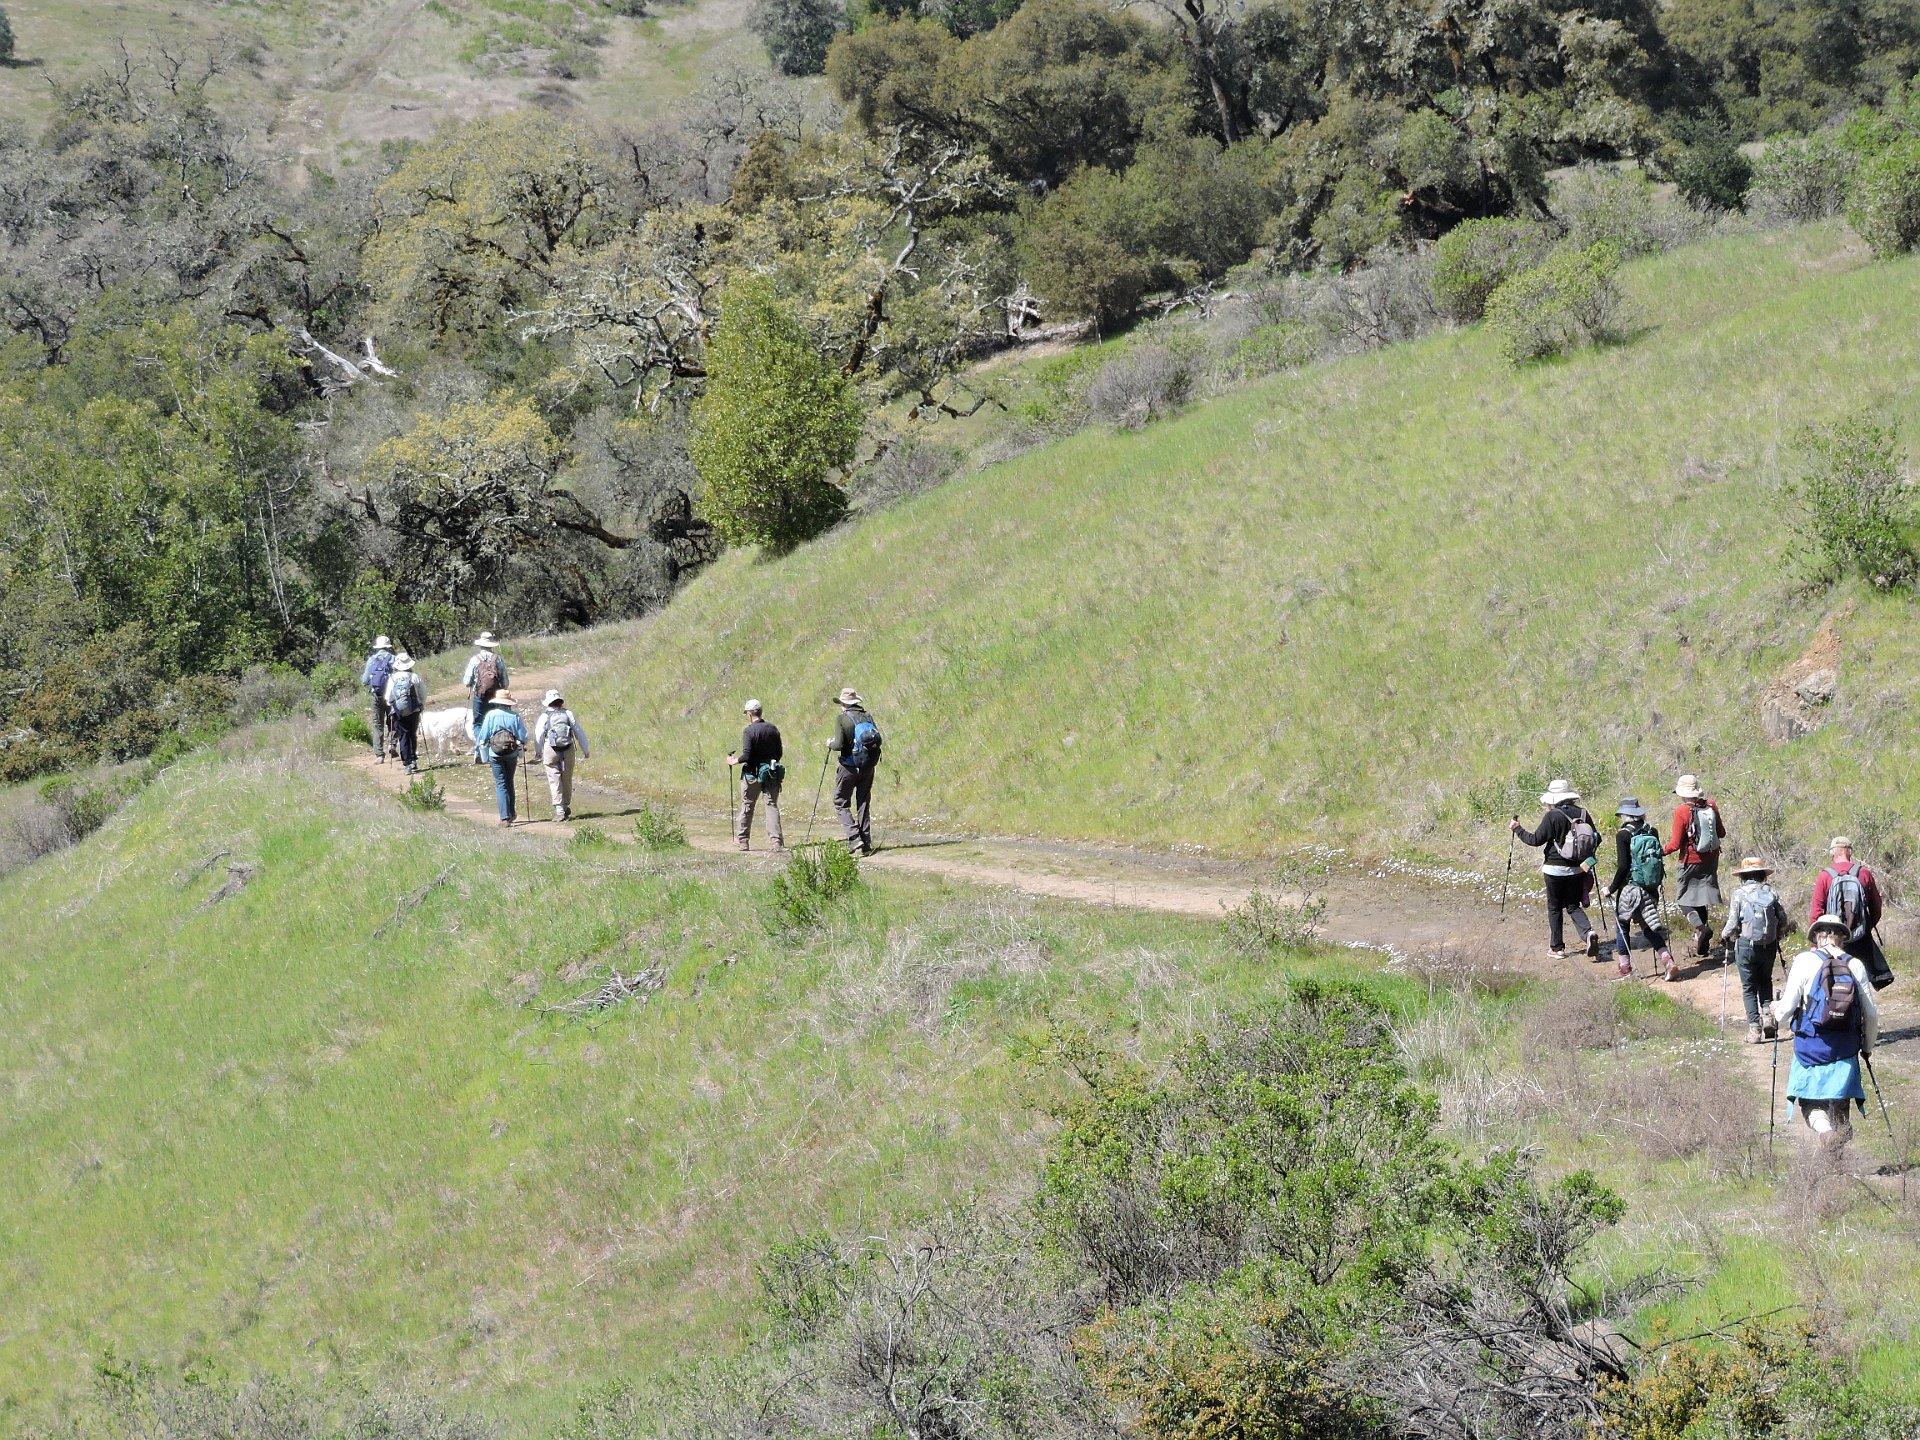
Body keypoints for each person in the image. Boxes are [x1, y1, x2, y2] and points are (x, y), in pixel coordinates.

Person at [1773, 913, 1880, 1147]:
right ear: (1843, 938)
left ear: (1816, 937)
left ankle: (1825, 1133)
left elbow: (1786, 1011)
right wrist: (1866, 1047)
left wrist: (1775, 1011)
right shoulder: (1855, 965)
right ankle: (1837, 1154)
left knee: (1811, 1104)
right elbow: (1871, 1015)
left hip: (1810, 1050)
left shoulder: (1804, 961)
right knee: (1840, 1105)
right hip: (1845, 1050)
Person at [1510, 779, 1601, 959]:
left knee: (1554, 907)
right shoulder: (1583, 813)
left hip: (1554, 869)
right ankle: (1588, 933)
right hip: (1577, 869)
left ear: (1553, 798)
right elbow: (1596, 839)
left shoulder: (1552, 816)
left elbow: (1535, 840)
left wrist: (1517, 829)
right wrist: (1587, 861)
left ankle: (1557, 948)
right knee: (1573, 905)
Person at [1807, 836, 1895, 991]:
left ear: (1833, 853)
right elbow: (1876, 908)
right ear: (1849, 852)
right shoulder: (1864, 873)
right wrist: (1864, 928)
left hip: (1833, 939)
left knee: (1835, 983)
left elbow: (1816, 912)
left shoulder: (1825, 876)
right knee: (1861, 982)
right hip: (1861, 938)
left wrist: (1815, 944)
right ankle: (1863, 1005)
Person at [1605, 797, 1677, 982]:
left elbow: (1623, 867)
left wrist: (1611, 889)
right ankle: (1667, 960)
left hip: (1630, 889)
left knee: (1622, 925)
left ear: (1625, 815)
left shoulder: (1623, 835)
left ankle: (1625, 968)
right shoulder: (1652, 831)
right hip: (1650, 887)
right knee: (1648, 926)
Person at [1720, 856, 1789, 1043]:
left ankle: (1754, 1029)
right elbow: (1783, 919)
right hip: (1769, 945)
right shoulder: (1771, 892)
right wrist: (1777, 933)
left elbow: (1732, 923)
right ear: (1762, 875)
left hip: (1746, 946)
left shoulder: (1739, 894)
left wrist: (1724, 935)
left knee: (1749, 987)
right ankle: (1768, 1018)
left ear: (1743, 876)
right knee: (1765, 981)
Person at [1663, 774, 1727, 959]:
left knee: (1683, 900)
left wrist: (1661, 851)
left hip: (1690, 860)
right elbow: (1721, 833)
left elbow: (1675, 844)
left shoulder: (1681, 811)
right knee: (1701, 899)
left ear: (1682, 793)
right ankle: (1702, 946)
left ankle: (1701, 928)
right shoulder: (1711, 805)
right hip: (1711, 859)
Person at [827, 686, 881, 858]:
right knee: (863, 802)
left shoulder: (842, 719)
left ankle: (854, 837)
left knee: (840, 801)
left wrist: (829, 743)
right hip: (868, 767)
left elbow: (839, 745)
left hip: (849, 767)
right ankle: (866, 843)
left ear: (844, 703)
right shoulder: (867, 716)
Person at [726, 699, 784, 852]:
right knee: (771, 806)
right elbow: (779, 753)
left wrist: (733, 761)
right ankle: (776, 842)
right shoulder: (772, 729)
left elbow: (747, 755)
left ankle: (743, 841)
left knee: (747, 805)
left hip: (751, 774)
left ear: (750, 714)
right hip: (771, 774)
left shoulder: (749, 731)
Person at [532, 688, 590, 823]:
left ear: (548, 702)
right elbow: (578, 731)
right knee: (567, 778)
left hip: (550, 749)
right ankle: (565, 805)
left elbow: (539, 734)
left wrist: (538, 751)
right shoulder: (568, 714)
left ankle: (559, 809)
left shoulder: (545, 716)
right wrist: (585, 749)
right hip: (568, 749)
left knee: (554, 779)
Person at [474, 689, 528, 827]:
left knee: (500, 783)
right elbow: (523, 737)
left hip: (495, 754)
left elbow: (483, 736)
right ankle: (511, 813)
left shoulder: (491, 715)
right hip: (511, 754)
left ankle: (504, 818)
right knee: (509, 781)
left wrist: (481, 750)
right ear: (509, 703)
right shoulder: (515, 717)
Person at [461, 632, 507, 763]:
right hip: (496, 696)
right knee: (493, 722)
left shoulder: (475, 660)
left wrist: (473, 684)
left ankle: (480, 750)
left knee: (478, 723)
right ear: (491, 645)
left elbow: (466, 681)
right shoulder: (498, 659)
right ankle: (493, 751)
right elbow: (505, 681)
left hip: (479, 696)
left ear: (480, 645)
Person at [383, 654, 426, 775]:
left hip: (398, 712)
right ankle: (413, 760)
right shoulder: (415, 677)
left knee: (403, 736)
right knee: (412, 734)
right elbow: (423, 694)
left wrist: (394, 706)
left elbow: (387, 697)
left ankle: (407, 764)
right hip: (414, 711)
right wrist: (421, 705)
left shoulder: (392, 678)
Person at [359, 635, 396, 763]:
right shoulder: (393, 659)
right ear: (388, 647)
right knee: (393, 720)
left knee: (377, 724)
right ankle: (392, 744)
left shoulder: (371, 660)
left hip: (377, 696)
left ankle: (379, 755)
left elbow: (364, 681)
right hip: (391, 696)